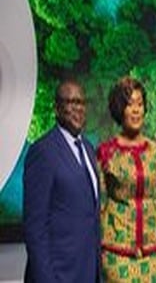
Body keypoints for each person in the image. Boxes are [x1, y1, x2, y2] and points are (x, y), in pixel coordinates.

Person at [23, 79, 100, 283]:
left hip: (88, 272)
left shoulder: (89, 149)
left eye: (81, 102)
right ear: (57, 109)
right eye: (70, 102)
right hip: (59, 275)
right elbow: (35, 228)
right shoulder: (43, 151)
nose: (78, 108)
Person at [97, 77, 156, 282]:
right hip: (117, 255)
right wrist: (101, 249)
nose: (136, 110)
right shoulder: (106, 152)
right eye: (130, 104)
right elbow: (99, 204)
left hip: (153, 254)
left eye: (140, 104)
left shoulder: (155, 151)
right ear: (119, 109)